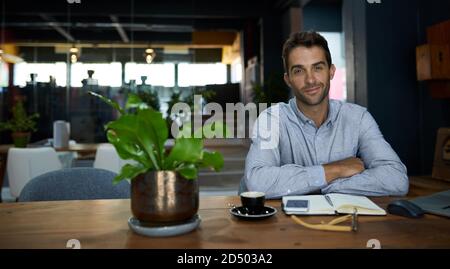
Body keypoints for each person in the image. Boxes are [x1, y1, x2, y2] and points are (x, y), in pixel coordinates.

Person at [242, 31, 408, 199]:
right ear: (288, 79)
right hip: (288, 223)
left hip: (344, 222)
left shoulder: (358, 118)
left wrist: (323, 184)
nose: (310, 80)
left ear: (331, 71)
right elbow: (257, 182)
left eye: (318, 68)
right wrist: (336, 170)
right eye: (299, 71)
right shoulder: (271, 120)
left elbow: (396, 179)